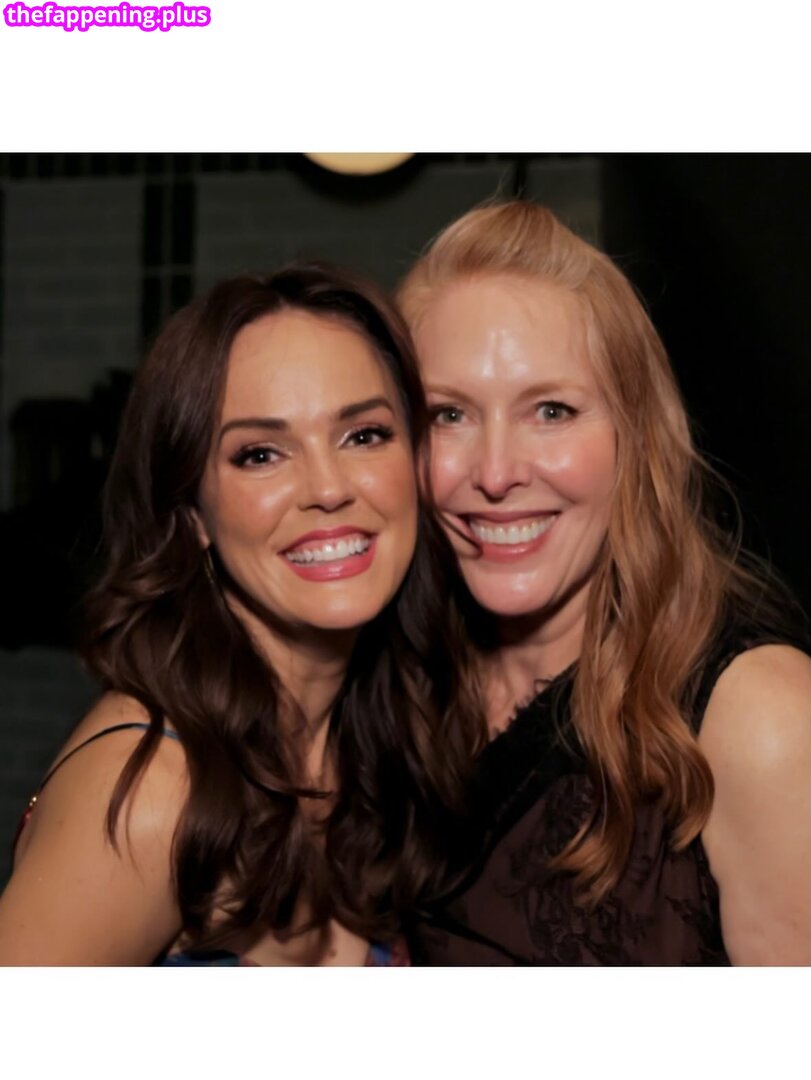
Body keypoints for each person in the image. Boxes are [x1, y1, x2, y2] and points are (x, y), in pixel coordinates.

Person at [0, 263, 475, 965]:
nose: (327, 488)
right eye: (260, 454)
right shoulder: (153, 794)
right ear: (193, 513)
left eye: (364, 435)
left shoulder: (373, 742)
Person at [397, 200, 811, 965]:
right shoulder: (389, 690)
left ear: (636, 437)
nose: (495, 473)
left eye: (550, 410)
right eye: (447, 415)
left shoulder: (757, 717)